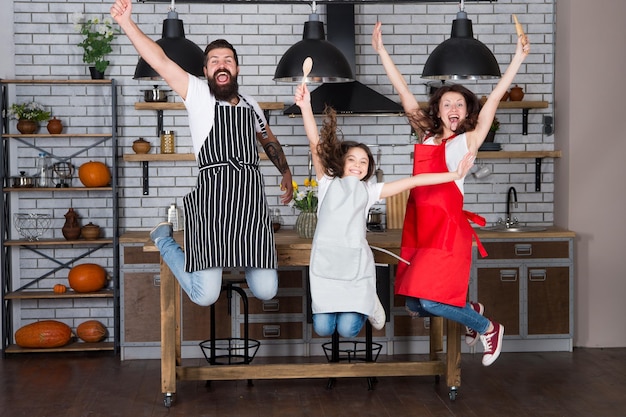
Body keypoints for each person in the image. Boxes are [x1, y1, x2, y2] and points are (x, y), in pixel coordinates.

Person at [110, 0, 293, 306]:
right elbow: (160, 60)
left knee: (266, 290)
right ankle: (164, 240)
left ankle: (243, 260)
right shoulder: (197, 94)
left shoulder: (250, 104)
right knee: (205, 295)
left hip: (250, 203)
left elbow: (267, 138)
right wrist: (127, 22)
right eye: (214, 61)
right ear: (206, 70)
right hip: (212, 204)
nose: (222, 65)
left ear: (236, 67)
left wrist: (286, 172)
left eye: (228, 60)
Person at [372, 21, 530, 366]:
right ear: (438, 111)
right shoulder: (426, 136)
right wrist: (382, 53)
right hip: (421, 224)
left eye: (460, 104)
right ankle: (471, 310)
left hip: (446, 228)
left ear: (467, 111)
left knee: (429, 302)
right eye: (447, 104)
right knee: (413, 301)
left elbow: (496, 98)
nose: (454, 109)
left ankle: (488, 327)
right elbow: (403, 93)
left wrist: (517, 58)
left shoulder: (468, 140)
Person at [294, 83, 475, 338]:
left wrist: (454, 174)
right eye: (352, 160)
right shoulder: (326, 182)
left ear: (368, 170)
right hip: (326, 266)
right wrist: (304, 106)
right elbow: (315, 143)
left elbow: (414, 181)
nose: (358, 165)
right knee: (323, 328)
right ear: (341, 163)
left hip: (355, 267)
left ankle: (368, 299)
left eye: (364, 162)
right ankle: (367, 301)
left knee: (347, 330)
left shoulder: (369, 191)